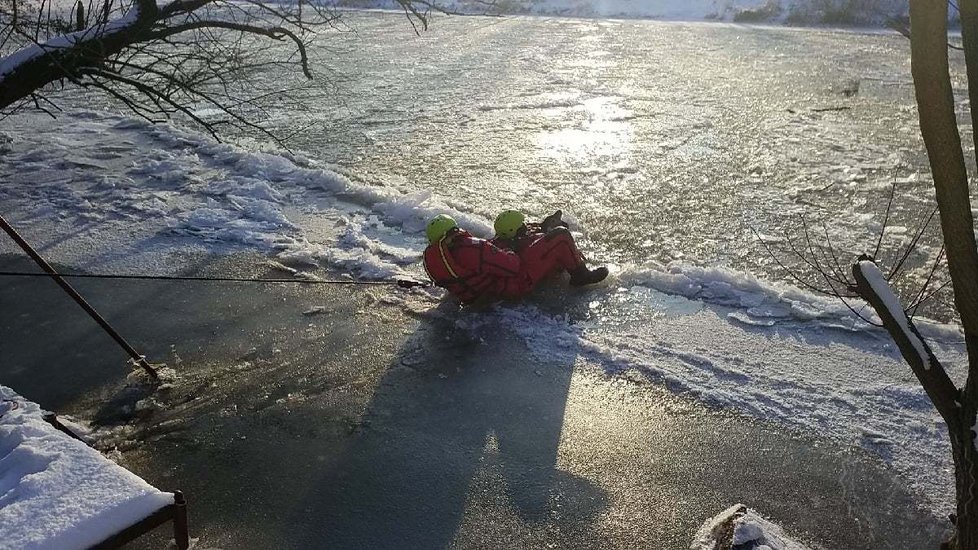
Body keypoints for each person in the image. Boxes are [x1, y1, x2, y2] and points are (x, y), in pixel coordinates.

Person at [422, 213, 607, 305]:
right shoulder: (473, 249)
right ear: (454, 230)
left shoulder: (440, 258)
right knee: (561, 236)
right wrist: (510, 249)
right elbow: (513, 265)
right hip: (516, 284)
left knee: (528, 243)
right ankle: (580, 275)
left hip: (488, 293)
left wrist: (502, 246)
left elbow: (483, 262)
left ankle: (542, 230)